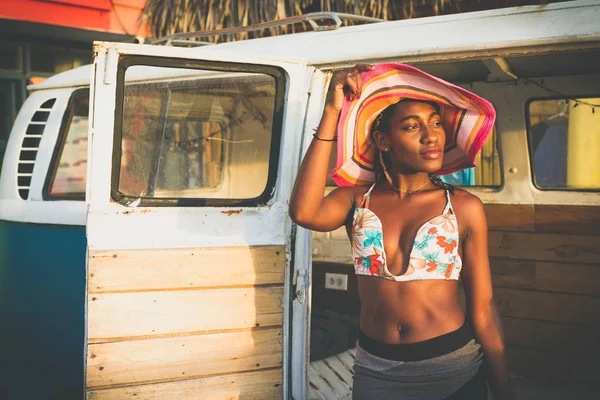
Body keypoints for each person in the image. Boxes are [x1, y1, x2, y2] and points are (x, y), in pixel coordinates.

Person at [289, 63, 513, 400]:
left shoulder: (463, 206)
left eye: (436, 123)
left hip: (450, 368)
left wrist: (504, 392)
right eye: (412, 126)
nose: (431, 135)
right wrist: (332, 111)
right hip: (375, 369)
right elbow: (304, 211)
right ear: (383, 140)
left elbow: (483, 308)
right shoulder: (357, 200)